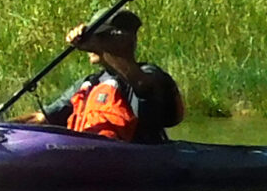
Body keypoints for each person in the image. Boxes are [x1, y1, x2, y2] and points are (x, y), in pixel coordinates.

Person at [20, 9, 183, 142]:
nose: (91, 43)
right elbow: (41, 118)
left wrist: (102, 48)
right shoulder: (89, 84)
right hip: (88, 159)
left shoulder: (148, 75)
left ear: (118, 42)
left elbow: (144, 87)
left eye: (98, 36)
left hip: (136, 165)